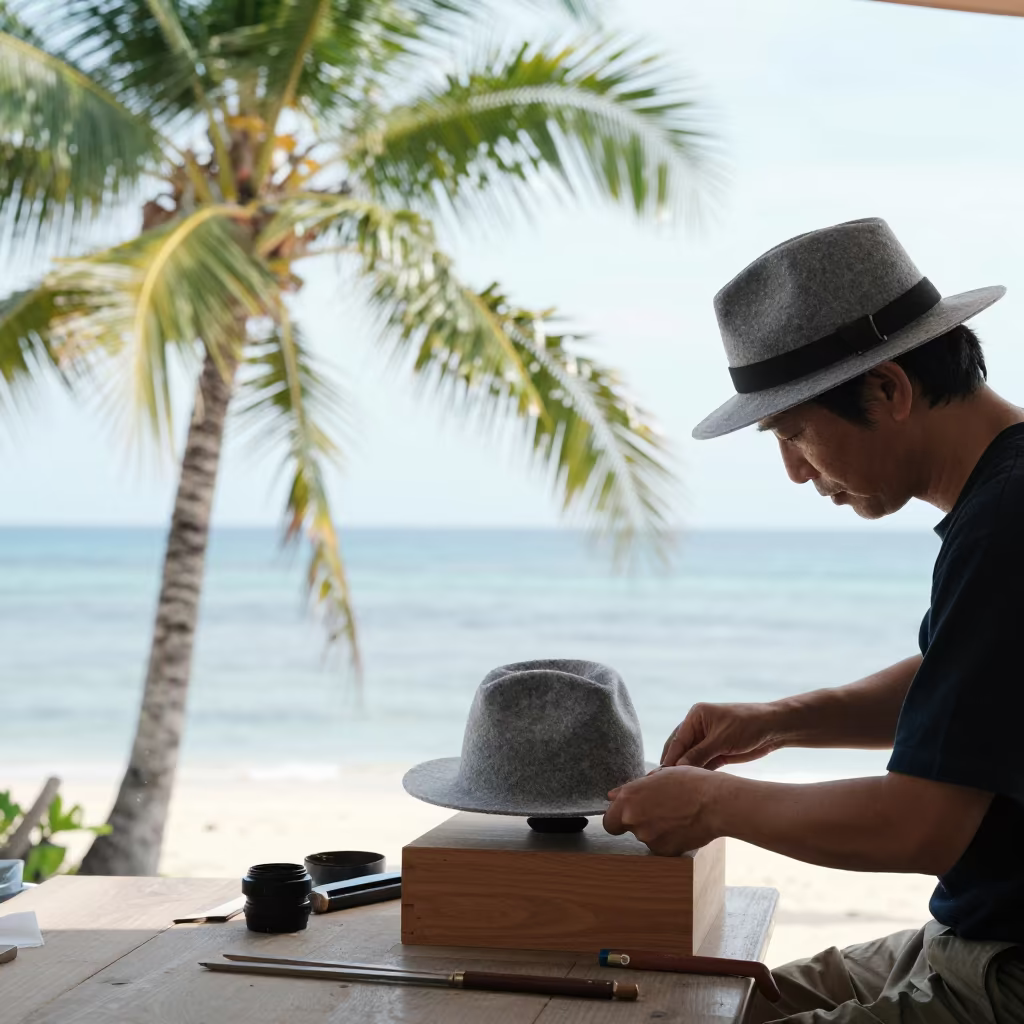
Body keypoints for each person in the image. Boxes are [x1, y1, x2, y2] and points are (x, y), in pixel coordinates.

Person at [603, 218, 1024, 1023]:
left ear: (889, 390)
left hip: (1007, 971)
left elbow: (917, 827)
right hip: (970, 933)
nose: (796, 471)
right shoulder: (1003, 496)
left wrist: (713, 805)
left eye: (795, 433)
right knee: (704, 1003)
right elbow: (974, 685)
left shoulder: (1008, 523)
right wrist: (783, 719)